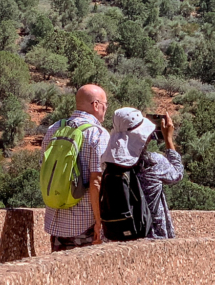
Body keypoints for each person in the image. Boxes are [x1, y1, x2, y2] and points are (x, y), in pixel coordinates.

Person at [41, 84, 109, 250]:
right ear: (96, 105)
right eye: (105, 104)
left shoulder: (54, 128)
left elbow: (44, 168)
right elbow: (96, 182)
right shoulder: (97, 134)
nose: (106, 109)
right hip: (85, 222)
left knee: (58, 266)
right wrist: (99, 222)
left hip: (56, 221)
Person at [100, 107, 184, 240]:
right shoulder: (153, 163)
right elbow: (177, 174)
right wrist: (168, 139)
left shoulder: (108, 165)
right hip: (152, 235)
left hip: (115, 235)